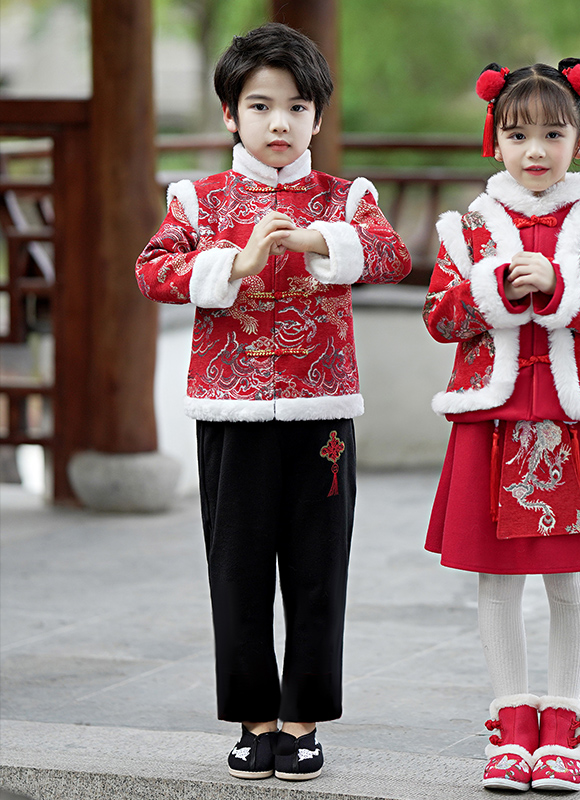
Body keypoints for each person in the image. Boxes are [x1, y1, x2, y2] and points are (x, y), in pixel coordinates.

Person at [136, 23, 410, 783]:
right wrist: (238, 259)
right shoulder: (196, 198)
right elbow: (153, 269)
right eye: (260, 106)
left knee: (322, 572)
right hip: (232, 415)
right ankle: (255, 721)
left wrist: (319, 242)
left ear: (319, 116)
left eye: (296, 107)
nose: (279, 122)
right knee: (238, 572)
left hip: (323, 413)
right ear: (230, 114)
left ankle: (303, 721)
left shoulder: (346, 197)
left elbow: (392, 255)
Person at [422, 58, 580, 793]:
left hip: (571, 417)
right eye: (519, 134)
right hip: (492, 416)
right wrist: (494, 288)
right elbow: (439, 318)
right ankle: (511, 727)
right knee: (495, 574)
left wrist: (561, 285)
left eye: (554, 131)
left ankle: (563, 727)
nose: (537, 149)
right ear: (495, 138)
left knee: (567, 577)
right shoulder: (468, 229)